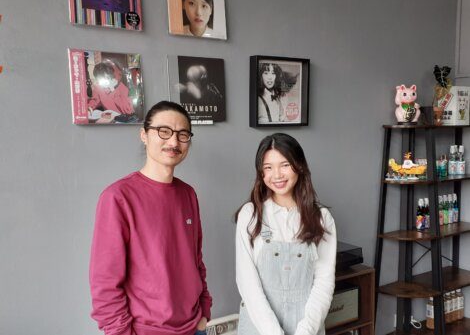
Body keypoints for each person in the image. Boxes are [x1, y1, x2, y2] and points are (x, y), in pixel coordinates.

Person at [89, 101, 212, 335]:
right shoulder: (118, 197)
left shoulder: (188, 194)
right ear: (144, 135)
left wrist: (204, 310)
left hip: (195, 327)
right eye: (163, 131)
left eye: (182, 134)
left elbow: (195, 260)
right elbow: (105, 282)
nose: (174, 142)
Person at [236, 133, 336, 335]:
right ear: (261, 173)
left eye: (284, 165)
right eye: (268, 167)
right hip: (259, 327)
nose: (277, 175)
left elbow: (324, 282)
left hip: (307, 327)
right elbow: (247, 282)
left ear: (299, 166)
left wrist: (306, 331)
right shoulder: (250, 214)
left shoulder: (322, 218)